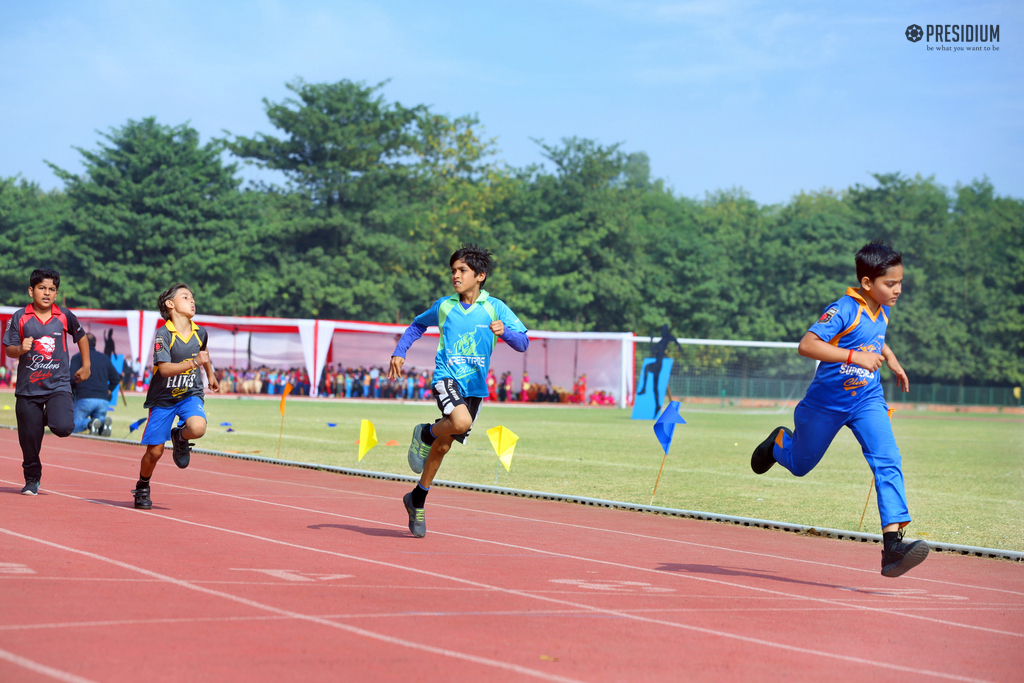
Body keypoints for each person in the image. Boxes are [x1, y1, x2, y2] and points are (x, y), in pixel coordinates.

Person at [749, 242, 928, 578]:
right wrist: (854, 357)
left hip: (866, 399)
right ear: (866, 283)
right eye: (891, 284)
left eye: (901, 282)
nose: (898, 290)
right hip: (825, 405)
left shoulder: (883, 308)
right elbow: (808, 345)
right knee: (801, 466)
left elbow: (874, 336)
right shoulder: (843, 309)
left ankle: (893, 548)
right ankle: (779, 443)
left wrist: (891, 359)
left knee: (887, 458)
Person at [388, 244, 530, 537]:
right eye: (453, 270)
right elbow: (416, 325)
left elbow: (523, 343)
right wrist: (399, 351)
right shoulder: (444, 306)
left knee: (443, 446)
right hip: (446, 378)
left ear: (480, 275)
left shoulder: (495, 307)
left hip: (475, 389)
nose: (455, 275)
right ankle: (425, 432)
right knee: (459, 422)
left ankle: (417, 498)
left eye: (462, 271)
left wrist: (507, 333)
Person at [2, 268, 90, 495]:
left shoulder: (64, 316)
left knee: (63, 427)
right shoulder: (19, 317)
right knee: (29, 440)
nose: (47, 293)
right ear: (31, 290)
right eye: (42, 288)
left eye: (52, 289)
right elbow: (10, 349)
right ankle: (32, 479)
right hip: (28, 389)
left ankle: (47, 415)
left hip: (58, 385)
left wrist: (86, 365)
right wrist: (21, 348)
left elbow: (81, 337)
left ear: (56, 293)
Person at [132, 283, 219, 510]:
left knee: (198, 427)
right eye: (185, 297)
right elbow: (164, 370)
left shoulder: (200, 332)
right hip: (163, 399)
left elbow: (204, 354)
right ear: (170, 304)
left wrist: (210, 374)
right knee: (155, 452)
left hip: (190, 393)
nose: (192, 301)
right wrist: (194, 363)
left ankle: (180, 437)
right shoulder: (164, 334)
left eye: (193, 298)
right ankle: (143, 485)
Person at [70, 333, 122, 436]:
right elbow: (116, 377)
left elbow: (71, 378)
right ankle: (102, 424)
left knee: (73, 426)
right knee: (97, 429)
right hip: (103, 399)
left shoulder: (77, 357)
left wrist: (74, 390)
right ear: (95, 343)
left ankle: (90, 423)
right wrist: (109, 390)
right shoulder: (104, 358)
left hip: (85, 397)